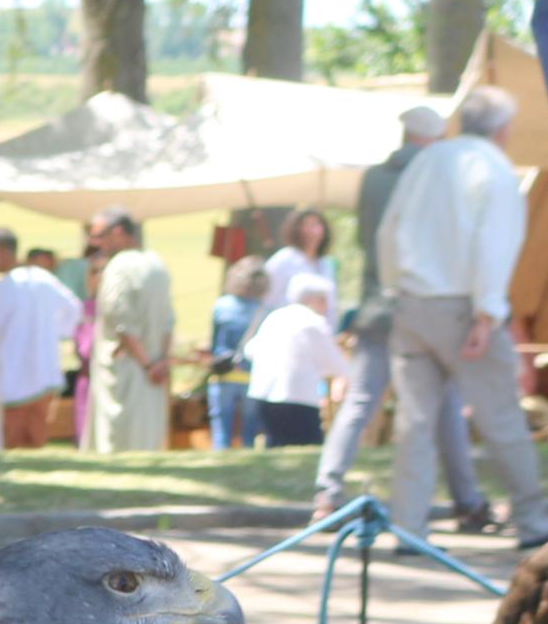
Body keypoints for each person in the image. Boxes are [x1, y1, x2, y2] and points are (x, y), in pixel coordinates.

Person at [379, 83, 548, 544]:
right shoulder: (494, 169)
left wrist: (394, 288)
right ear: (504, 130)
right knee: (501, 417)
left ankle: (409, 529)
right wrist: (487, 313)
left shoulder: (428, 160)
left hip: (412, 304)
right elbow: (494, 246)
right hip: (462, 306)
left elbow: (389, 229)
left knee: (414, 426)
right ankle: (533, 521)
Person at [314, 107, 488, 525]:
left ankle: (327, 492)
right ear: (437, 137)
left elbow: (364, 239)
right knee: (445, 405)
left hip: (378, 303)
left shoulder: (373, 179)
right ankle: (468, 501)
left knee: (359, 403)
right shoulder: (441, 177)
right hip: (424, 303)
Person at [79, 211, 176, 453]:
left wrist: (147, 364)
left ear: (119, 232)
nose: (95, 243)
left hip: (127, 368)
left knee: (119, 438)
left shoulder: (119, 266)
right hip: (152, 364)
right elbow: (169, 320)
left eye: (99, 236)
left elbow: (120, 320)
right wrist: (160, 360)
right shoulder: (157, 263)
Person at [0, 231, 76, 450]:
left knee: (12, 437)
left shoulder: (3, 288)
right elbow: (73, 310)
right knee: (34, 438)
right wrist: (53, 335)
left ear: (0, 252)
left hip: (12, 373)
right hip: (43, 371)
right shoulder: (42, 279)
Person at [244, 272, 347, 448]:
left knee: (274, 446)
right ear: (315, 300)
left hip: (262, 395)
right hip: (297, 398)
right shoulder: (313, 322)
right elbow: (335, 364)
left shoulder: (275, 317)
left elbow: (250, 351)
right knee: (308, 448)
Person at [203, 257, 267, 450]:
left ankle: (220, 456)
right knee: (250, 430)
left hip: (224, 372)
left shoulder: (221, 305)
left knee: (221, 426)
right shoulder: (263, 310)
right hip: (252, 375)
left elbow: (215, 342)